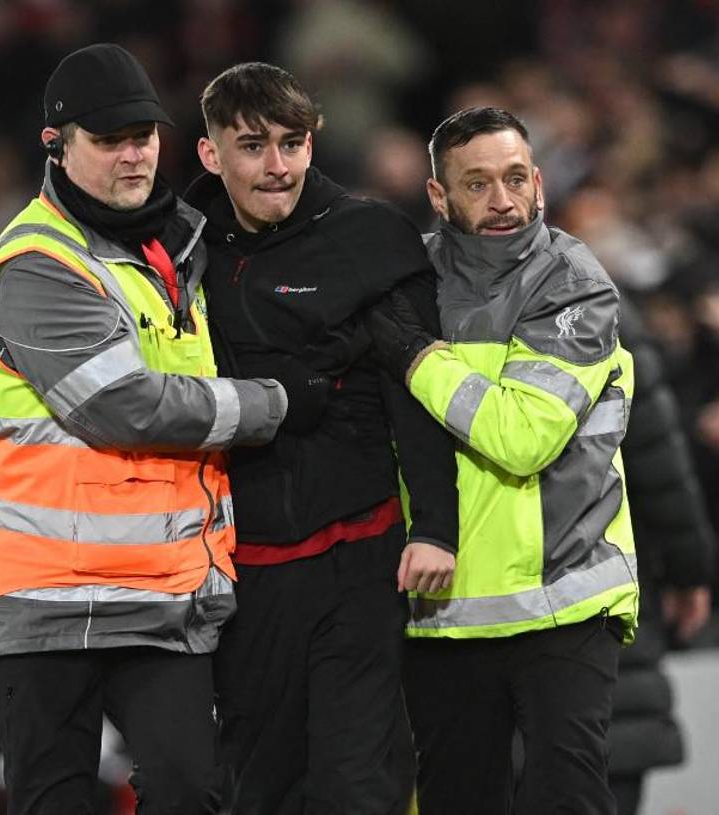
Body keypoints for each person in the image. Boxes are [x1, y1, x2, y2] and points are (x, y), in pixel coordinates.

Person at [0, 44, 287, 814]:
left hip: (162, 591)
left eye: (144, 133)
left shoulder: (176, 246)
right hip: (45, 598)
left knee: (190, 788)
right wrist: (272, 404)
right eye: (110, 140)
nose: (135, 153)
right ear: (57, 144)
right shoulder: (37, 262)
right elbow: (124, 407)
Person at [183, 61, 457, 814]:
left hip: (358, 557)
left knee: (358, 784)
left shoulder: (371, 237)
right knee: (261, 787)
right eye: (253, 146)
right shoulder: (176, 254)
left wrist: (436, 525)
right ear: (212, 155)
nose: (277, 166)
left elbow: (419, 390)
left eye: (293, 143)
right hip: (240, 573)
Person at [366, 106, 640, 815]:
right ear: (439, 197)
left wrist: (418, 357)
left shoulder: (574, 280)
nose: (503, 201)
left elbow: (524, 437)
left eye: (516, 179)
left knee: (566, 801)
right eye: (478, 184)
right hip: (443, 607)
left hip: (567, 600)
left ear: (540, 181)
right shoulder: (404, 281)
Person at [607, 303, 715, 815]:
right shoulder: (594, 299)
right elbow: (660, 461)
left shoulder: (425, 298)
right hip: (609, 603)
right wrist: (689, 572)